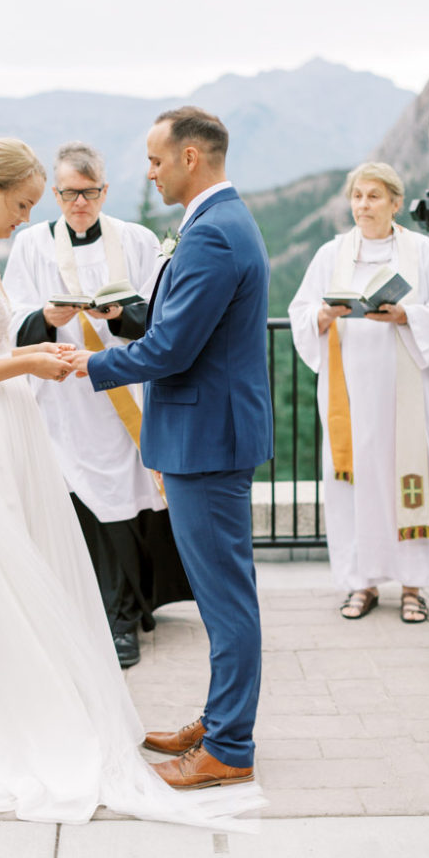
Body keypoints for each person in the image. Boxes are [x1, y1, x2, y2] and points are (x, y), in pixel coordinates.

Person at [0, 137, 264, 825]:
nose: (29, 218)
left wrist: (63, 360)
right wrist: (38, 358)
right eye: (28, 203)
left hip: (52, 424)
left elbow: (170, 341)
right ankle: (206, 729)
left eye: (47, 202)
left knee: (34, 570)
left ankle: (226, 736)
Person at [68, 107, 273, 791]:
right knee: (224, 594)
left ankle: (229, 748)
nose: (147, 172)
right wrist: (123, 317)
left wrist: (82, 368)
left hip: (206, 440)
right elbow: (174, 323)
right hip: (205, 433)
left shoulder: (212, 233)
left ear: (190, 157)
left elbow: (174, 349)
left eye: (155, 159)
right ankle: (219, 723)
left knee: (225, 599)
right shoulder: (215, 223)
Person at [3, 141, 192, 668]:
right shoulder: (33, 247)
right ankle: (91, 612)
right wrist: (46, 316)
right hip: (63, 400)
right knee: (78, 505)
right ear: (56, 194)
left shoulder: (134, 239)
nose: (78, 203)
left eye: (88, 193)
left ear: (104, 190)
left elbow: (160, 310)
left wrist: (118, 317)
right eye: (68, 193)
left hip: (122, 397)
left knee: (125, 502)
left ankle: (126, 614)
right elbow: (13, 313)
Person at [289, 162, 429, 623]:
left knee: (409, 482)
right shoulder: (332, 254)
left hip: (406, 393)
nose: (363, 205)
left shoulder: (424, 252)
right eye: (357, 196)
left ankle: (414, 587)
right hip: (348, 393)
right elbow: (301, 309)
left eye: (374, 196)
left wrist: (407, 316)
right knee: (350, 486)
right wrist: (324, 316)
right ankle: (361, 585)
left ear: (395, 202)